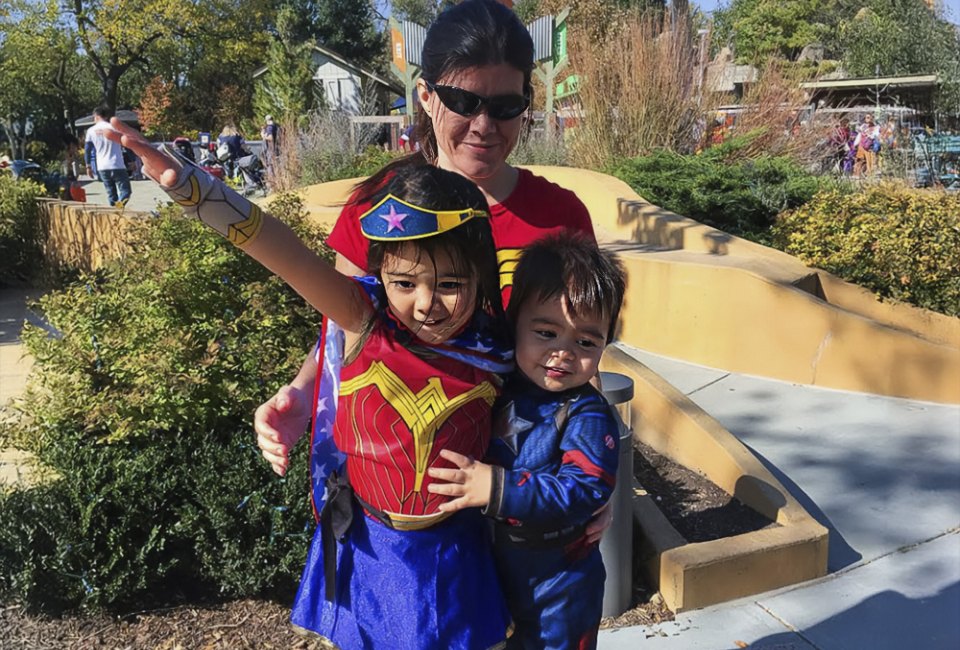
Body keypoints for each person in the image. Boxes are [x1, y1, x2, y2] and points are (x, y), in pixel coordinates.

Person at [107, 117, 514, 648]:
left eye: (452, 284)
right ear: (380, 275)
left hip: (459, 552)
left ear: (482, 273)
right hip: (371, 549)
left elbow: (561, 412)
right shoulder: (364, 319)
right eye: (404, 282)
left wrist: (588, 492)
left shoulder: (500, 352)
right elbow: (283, 251)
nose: (426, 303)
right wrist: (192, 188)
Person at [255, 0, 598, 501]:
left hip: (520, 484)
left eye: (506, 106)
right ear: (426, 95)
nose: (485, 125)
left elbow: (582, 346)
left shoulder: (561, 217)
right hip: (401, 489)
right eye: (463, 101)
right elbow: (346, 325)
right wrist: (304, 394)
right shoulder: (379, 206)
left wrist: (590, 474)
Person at [428, 233, 627, 649]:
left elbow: (585, 486)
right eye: (546, 332)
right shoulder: (498, 380)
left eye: (586, 342)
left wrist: (494, 487)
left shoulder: (586, 413)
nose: (563, 353)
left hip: (559, 580)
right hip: (491, 564)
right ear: (514, 324)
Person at [84, 105, 132, 208]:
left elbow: (88, 150)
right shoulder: (114, 128)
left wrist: (88, 166)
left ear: (96, 116)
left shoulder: (90, 131)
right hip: (117, 164)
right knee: (126, 191)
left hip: (102, 166)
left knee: (111, 193)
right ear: (106, 116)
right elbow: (126, 143)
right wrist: (132, 160)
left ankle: (114, 210)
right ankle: (118, 208)